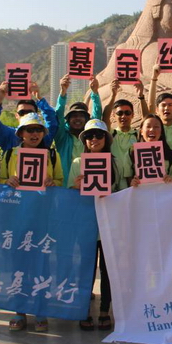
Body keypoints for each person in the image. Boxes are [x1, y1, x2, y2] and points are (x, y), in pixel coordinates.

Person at [0, 112, 63, 332]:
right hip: (17, 217)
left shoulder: (52, 155)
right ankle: (19, 311)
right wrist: (7, 181)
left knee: (42, 266)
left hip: (43, 217)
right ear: (21, 134)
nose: (34, 134)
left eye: (38, 130)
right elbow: (0, 180)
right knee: (18, 265)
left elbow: (61, 181)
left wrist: (52, 182)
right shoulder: (10, 154)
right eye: (29, 130)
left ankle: (40, 311)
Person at [68, 119, 119, 331]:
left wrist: (112, 195)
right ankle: (84, 310)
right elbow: (69, 195)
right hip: (85, 224)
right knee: (86, 268)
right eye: (89, 136)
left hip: (108, 224)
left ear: (106, 139)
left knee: (107, 270)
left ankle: (105, 310)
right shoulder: (77, 163)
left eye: (98, 135)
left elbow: (123, 190)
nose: (94, 139)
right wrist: (75, 187)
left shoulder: (115, 163)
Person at [54, 74, 103, 185]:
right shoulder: (62, 137)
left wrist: (95, 92)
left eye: (81, 116)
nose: (77, 119)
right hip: (65, 187)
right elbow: (58, 115)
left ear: (87, 120)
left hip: (88, 185)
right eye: (74, 116)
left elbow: (97, 116)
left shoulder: (90, 139)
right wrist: (63, 92)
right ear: (68, 120)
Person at [0, 79, 58, 151]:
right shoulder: (9, 135)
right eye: (22, 112)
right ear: (16, 116)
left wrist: (39, 97)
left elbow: (52, 122)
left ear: (36, 114)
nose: (26, 115)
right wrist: (0, 98)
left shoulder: (42, 136)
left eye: (30, 112)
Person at [102, 79, 146, 191]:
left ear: (133, 115)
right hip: (112, 184)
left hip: (134, 183)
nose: (123, 116)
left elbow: (147, 120)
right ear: (114, 116)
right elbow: (105, 117)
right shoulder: (111, 134)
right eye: (119, 113)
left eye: (127, 113)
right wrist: (113, 95)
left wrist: (141, 96)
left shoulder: (138, 135)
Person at [129, 114, 172, 187]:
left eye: (156, 127)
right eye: (148, 126)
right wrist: (131, 183)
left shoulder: (171, 155)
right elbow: (126, 179)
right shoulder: (132, 152)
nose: (152, 130)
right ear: (141, 131)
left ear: (161, 132)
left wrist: (171, 180)